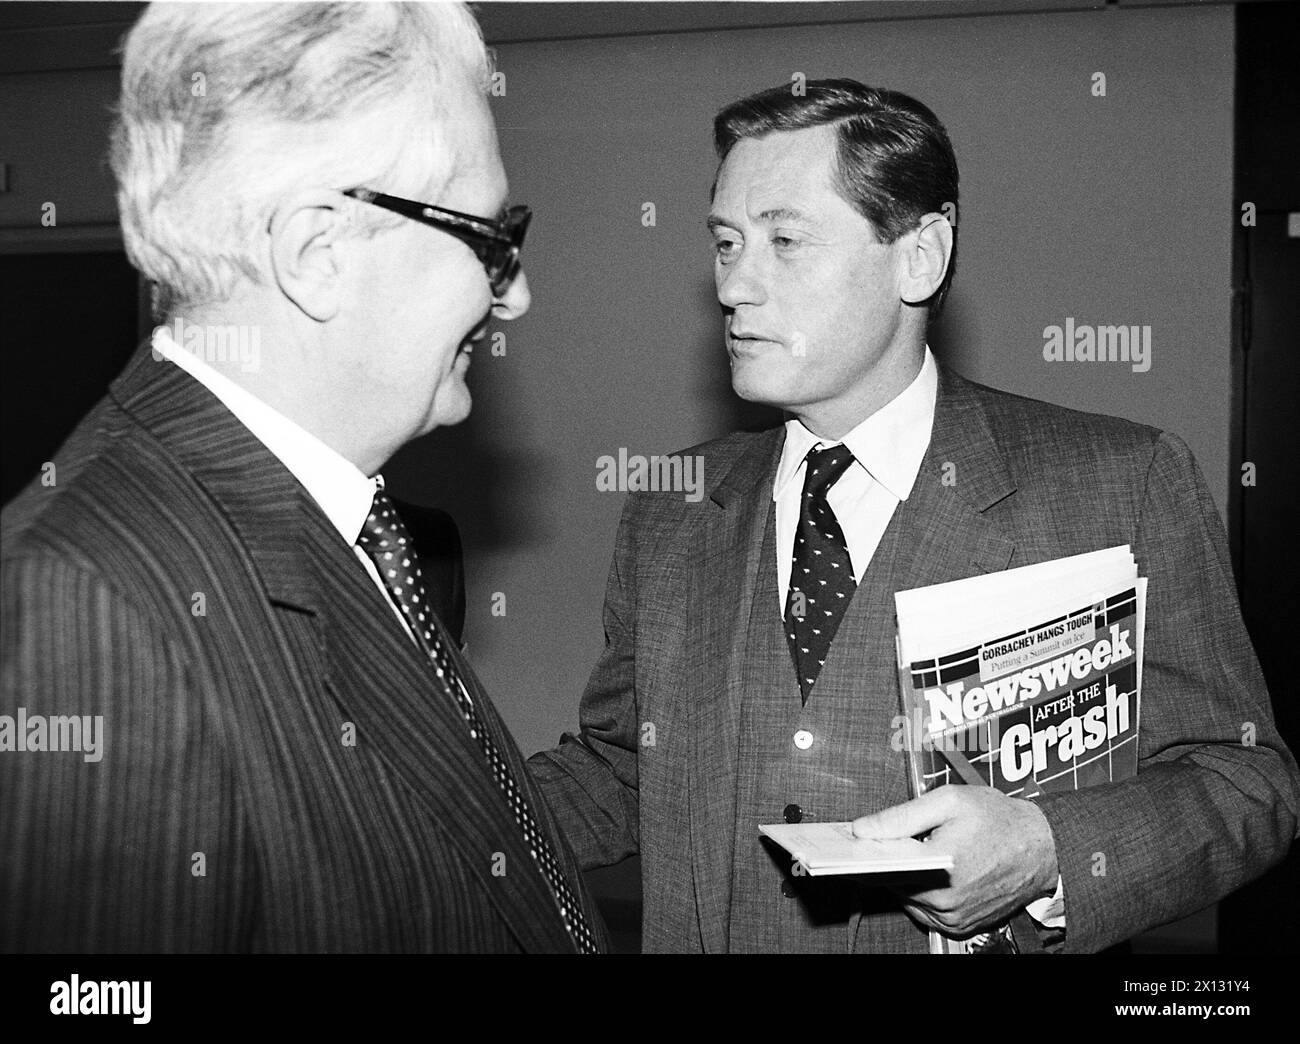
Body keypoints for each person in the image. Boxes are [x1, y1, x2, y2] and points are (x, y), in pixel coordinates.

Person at [528, 79, 1299, 953]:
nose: (734, 285)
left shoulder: (1117, 483)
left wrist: (1051, 851)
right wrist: (429, 810)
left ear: (920, 257)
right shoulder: (671, 510)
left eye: (784, 240)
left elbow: (1246, 781)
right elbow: (623, 768)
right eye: (726, 242)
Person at [0, 1, 603, 954]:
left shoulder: (339, 518)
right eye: (491, 236)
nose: (515, 292)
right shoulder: (88, 602)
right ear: (317, 253)